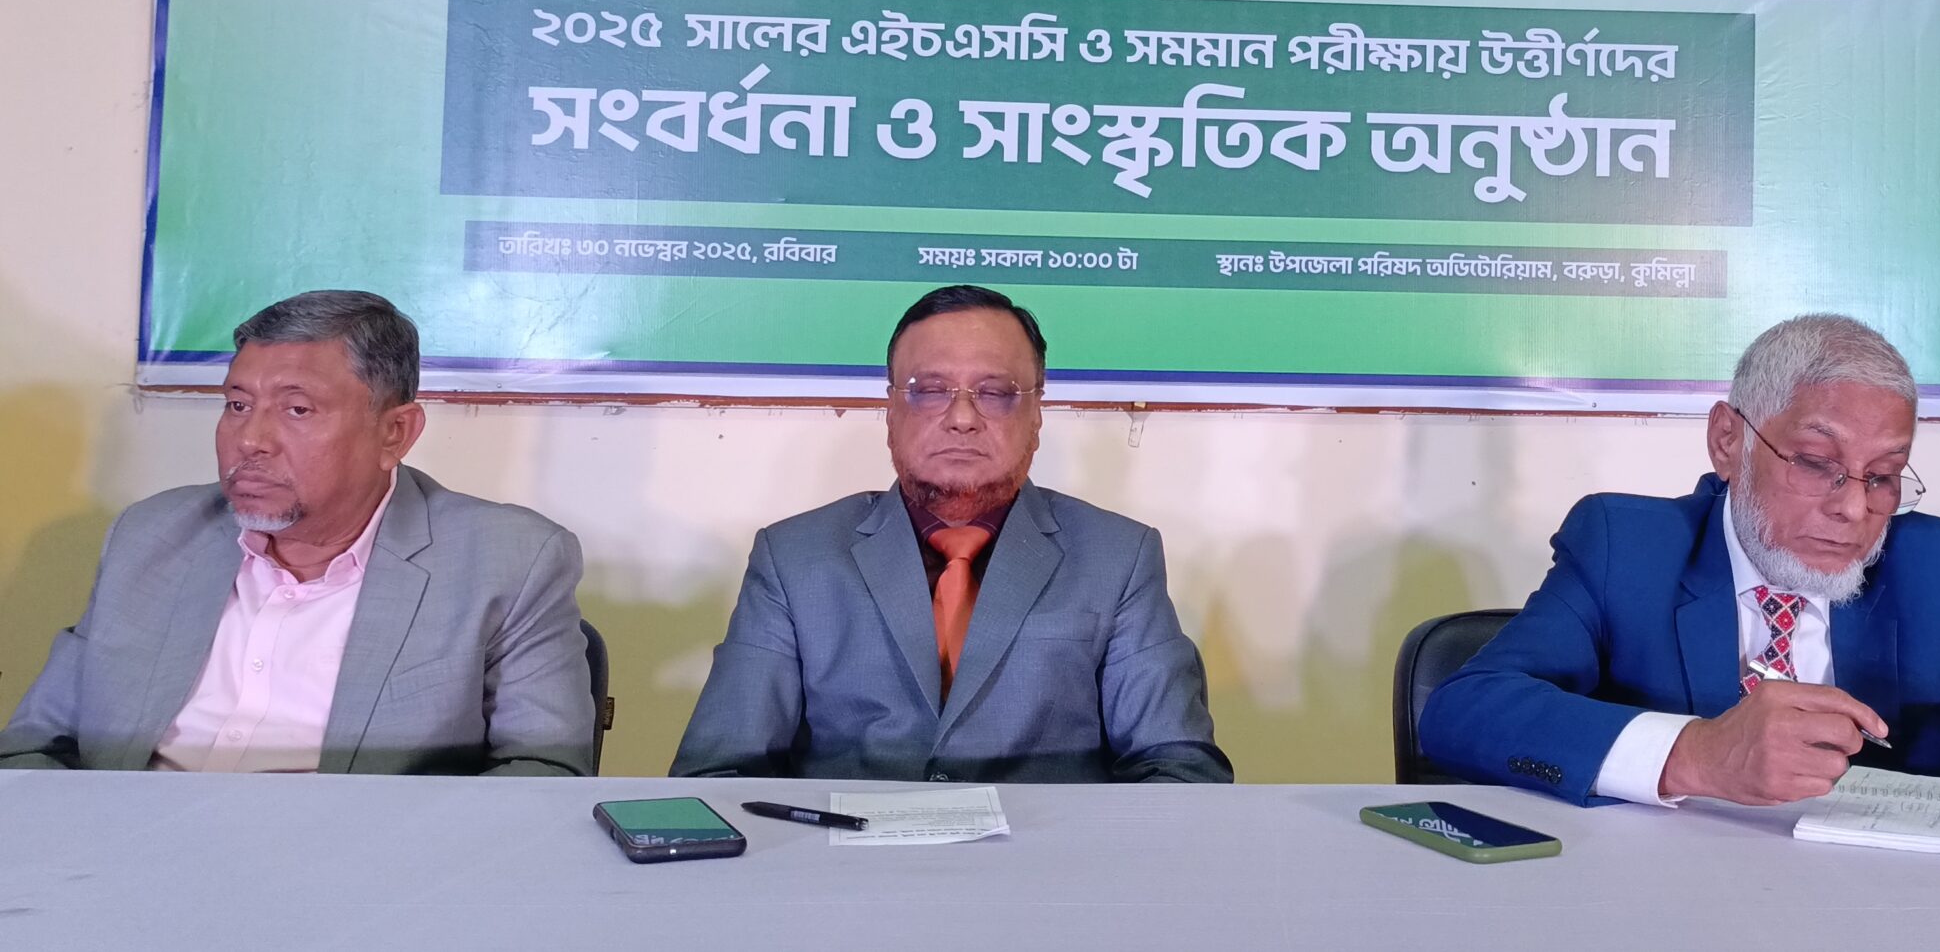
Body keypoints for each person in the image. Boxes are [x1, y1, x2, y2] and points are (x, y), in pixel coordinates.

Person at [1420, 314, 1940, 853]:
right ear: (1729, 441)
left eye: (1883, 476)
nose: (1853, 509)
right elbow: (1467, 708)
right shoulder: (1626, 546)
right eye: (1817, 463)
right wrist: (1696, 753)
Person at [0, 291, 594, 774]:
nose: (250, 440)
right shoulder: (151, 536)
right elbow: (35, 745)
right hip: (124, 853)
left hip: (360, 868)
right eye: (237, 405)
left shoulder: (508, 561)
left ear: (395, 433)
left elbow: (542, 769)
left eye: (297, 410)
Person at [672, 285, 1229, 782]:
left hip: (1046, 862)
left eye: (996, 392)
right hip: (847, 859)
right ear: (890, 411)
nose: (962, 418)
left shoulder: (1119, 557)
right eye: (929, 389)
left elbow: (1178, 770)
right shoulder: (794, 558)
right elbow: (720, 772)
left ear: (1037, 414)